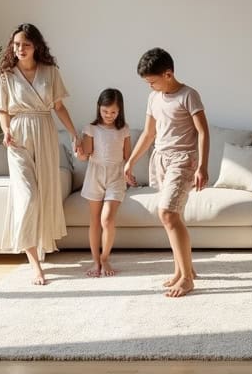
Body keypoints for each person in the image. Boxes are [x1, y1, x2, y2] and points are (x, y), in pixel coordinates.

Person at [0, 23, 80, 285]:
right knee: (27, 197)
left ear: (36, 46)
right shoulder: (6, 76)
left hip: (45, 132)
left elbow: (59, 107)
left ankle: (39, 250)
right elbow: (3, 110)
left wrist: (74, 133)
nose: (20, 49)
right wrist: (6, 130)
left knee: (42, 196)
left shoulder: (50, 72)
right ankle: (35, 266)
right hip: (18, 137)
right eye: (17, 44)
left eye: (26, 44)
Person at [124, 48, 209, 297]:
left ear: (168, 74)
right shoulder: (155, 98)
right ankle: (184, 270)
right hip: (160, 160)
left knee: (168, 214)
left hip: (183, 161)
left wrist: (202, 166)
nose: (150, 87)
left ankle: (186, 279)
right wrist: (130, 161)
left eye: (152, 81)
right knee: (174, 216)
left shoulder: (189, 96)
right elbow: (149, 134)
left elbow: (203, 132)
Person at [74, 88, 132, 277]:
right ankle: (96, 262)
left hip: (116, 176)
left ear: (120, 111)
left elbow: (127, 156)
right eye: (105, 111)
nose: (109, 115)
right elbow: (85, 155)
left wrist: (129, 173)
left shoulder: (123, 129)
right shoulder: (91, 129)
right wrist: (80, 153)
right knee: (95, 220)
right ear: (99, 108)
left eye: (113, 112)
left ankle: (105, 258)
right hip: (95, 175)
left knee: (107, 219)